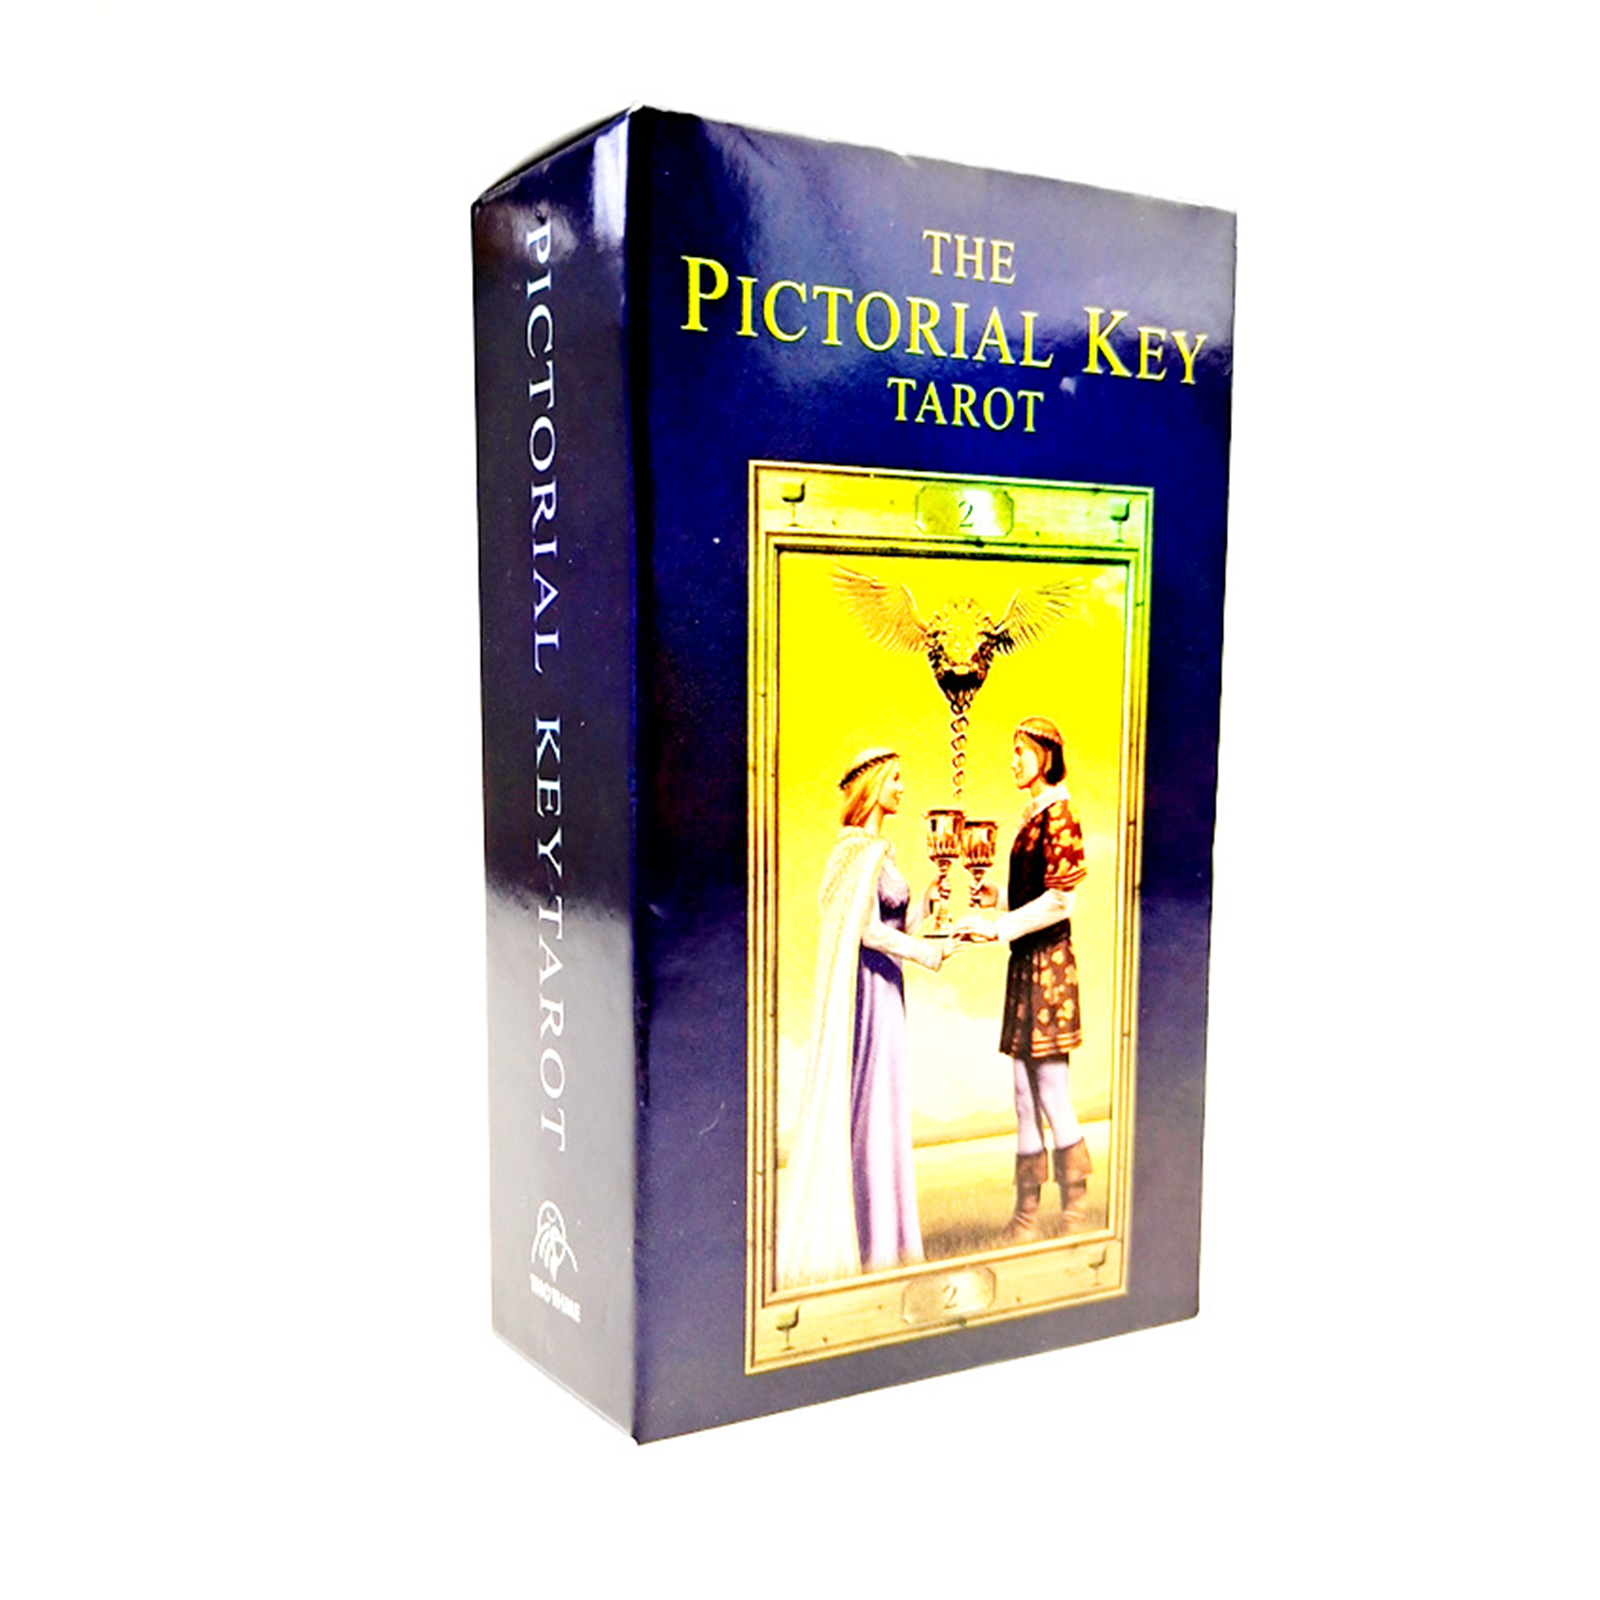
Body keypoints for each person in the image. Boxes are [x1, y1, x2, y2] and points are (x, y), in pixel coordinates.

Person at [778, 749, 952, 1288]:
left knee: (889, 1113)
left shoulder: (884, 852)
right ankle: (871, 1246)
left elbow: (893, 923)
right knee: (869, 1113)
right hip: (867, 998)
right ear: (874, 785)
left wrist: (927, 909)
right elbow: (867, 932)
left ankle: (894, 1246)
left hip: (889, 993)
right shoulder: (856, 852)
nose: (902, 787)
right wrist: (927, 954)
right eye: (895, 778)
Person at [957, 716, 1091, 1238]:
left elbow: (1060, 902)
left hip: (1049, 966)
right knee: (1022, 1095)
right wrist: (1000, 903)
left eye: (1021, 750)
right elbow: (1035, 899)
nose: (1012, 760)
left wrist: (997, 926)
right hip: (1025, 965)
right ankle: (1027, 1216)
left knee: (1052, 1091)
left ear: (1046, 756)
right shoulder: (1033, 815)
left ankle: (1075, 1214)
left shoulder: (1060, 815)